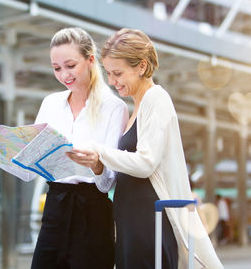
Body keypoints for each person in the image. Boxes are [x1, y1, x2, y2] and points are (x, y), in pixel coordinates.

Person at [0, 27, 128, 269]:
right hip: (55, 208)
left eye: (70, 65)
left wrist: (96, 165)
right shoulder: (51, 104)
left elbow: (107, 184)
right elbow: (29, 170)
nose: (64, 75)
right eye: (57, 68)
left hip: (93, 212)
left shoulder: (114, 108)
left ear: (90, 60)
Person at [67, 28, 223, 269]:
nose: (111, 81)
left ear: (141, 66)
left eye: (117, 73)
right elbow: (126, 167)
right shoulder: (136, 107)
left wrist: (101, 151)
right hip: (132, 218)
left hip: (150, 220)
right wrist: (98, 164)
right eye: (108, 73)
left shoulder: (156, 99)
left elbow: (145, 163)